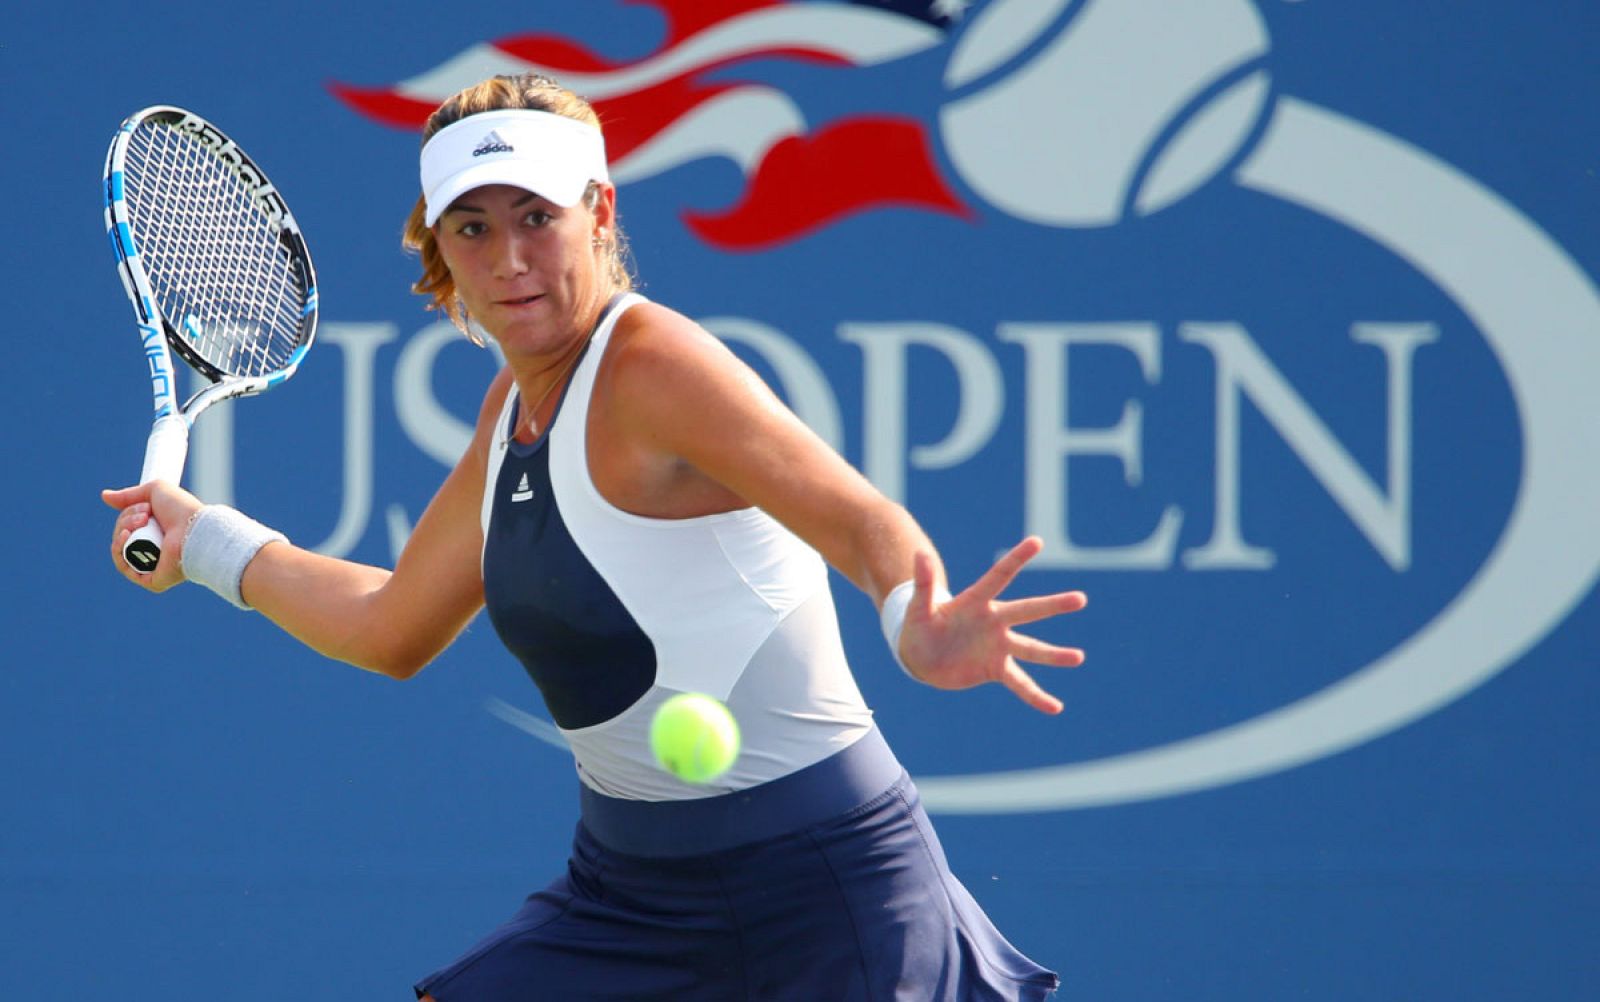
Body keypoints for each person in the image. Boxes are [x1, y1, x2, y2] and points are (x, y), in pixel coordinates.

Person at [102, 73, 1088, 1001]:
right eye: (473, 228)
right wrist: (206, 545)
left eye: (538, 217)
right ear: (439, 248)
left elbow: (856, 516)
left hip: (825, 891)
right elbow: (389, 626)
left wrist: (914, 610)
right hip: (630, 894)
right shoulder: (511, 412)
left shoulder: (653, 365)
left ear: (601, 214)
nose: (509, 259)